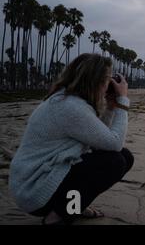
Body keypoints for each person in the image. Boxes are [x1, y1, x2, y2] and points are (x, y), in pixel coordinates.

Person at [8, 53, 134, 225]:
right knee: (115, 161)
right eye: (107, 79)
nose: (108, 85)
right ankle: (58, 216)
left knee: (124, 157)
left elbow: (99, 140)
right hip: (34, 191)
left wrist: (111, 108)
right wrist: (122, 102)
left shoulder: (68, 101)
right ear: (95, 80)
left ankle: (74, 206)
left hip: (37, 180)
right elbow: (114, 143)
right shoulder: (70, 107)